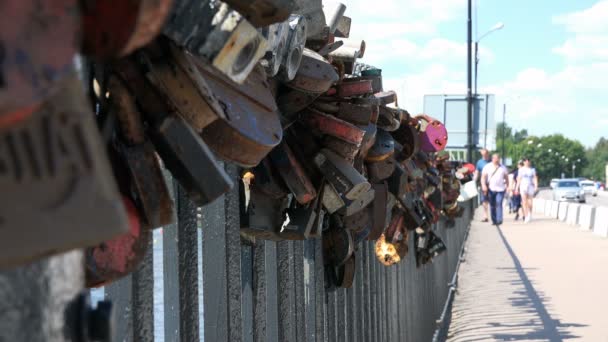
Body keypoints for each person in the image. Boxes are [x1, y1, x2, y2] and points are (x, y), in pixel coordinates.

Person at [481, 153, 510, 226]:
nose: (497, 160)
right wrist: (484, 185)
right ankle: (494, 220)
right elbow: (483, 177)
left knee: (499, 202)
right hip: (491, 188)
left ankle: (499, 219)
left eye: (498, 158)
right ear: (492, 159)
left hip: (500, 189)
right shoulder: (487, 167)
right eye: (495, 158)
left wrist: (507, 186)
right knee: (492, 205)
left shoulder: (503, 167)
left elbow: (506, 177)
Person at [516, 158, 539, 223]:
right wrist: (516, 187)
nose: (528, 162)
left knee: (530, 202)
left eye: (528, 161)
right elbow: (519, 178)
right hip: (523, 186)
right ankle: (526, 216)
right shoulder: (521, 170)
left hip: (530, 186)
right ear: (524, 162)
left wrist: (536, 186)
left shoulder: (532, 170)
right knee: (524, 201)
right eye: (526, 161)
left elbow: (535, 178)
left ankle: (530, 214)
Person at [474, 148, 491, 222]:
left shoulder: (491, 161)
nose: (484, 156)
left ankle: (493, 214)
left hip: (492, 183)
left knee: (492, 200)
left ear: (488, 154)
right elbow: (477, 172)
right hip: (483, 183)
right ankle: (485, 215)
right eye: (483, 154)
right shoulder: (479, 162)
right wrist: (474, 181)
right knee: (484, 200)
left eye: (485, 154)